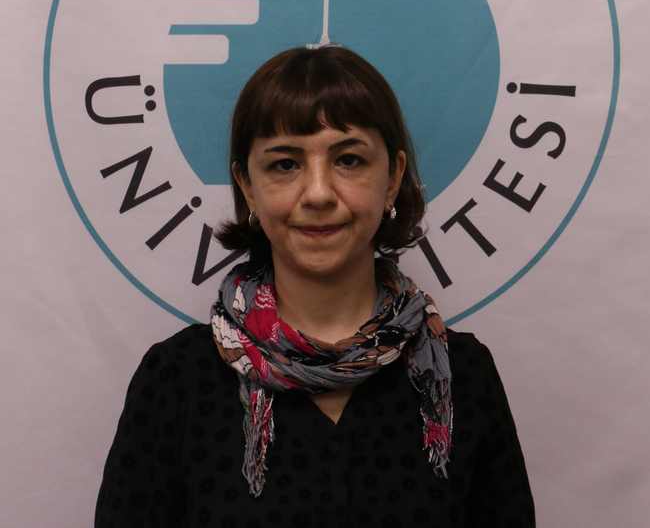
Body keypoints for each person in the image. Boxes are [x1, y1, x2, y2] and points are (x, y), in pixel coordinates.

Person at [95, 45, 536, 528]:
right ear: (247, 186)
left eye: (349, 160)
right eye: (285, 165)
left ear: (392, 178)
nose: (319, 193)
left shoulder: (462, 375)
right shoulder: (177, 381)